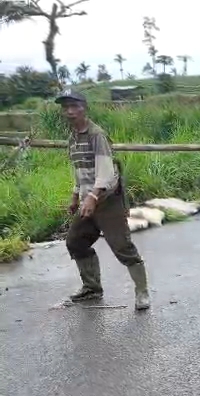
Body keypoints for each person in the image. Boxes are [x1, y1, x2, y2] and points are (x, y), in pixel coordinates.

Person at [57, 90, 150, 311]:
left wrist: (92, 197)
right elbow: (80, 172)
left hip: (107, 200)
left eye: (74, 106)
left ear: (83, 107)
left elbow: (105, 173)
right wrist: (75, 196)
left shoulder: (96, 135)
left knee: (122, 247)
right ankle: (92, 288)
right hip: (89, 199)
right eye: (66, 107)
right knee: (76, 242)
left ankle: (142, 292)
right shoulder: (73, 138)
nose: (69, 111)